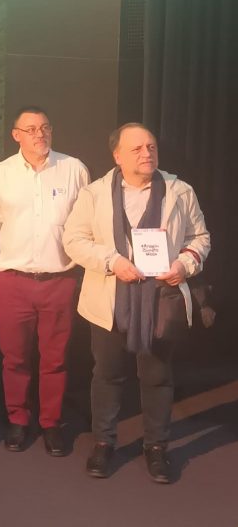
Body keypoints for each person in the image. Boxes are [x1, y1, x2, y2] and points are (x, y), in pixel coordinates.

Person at [63, 123, 210, 483]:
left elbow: (200, 237)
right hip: (110, 299)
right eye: (137, 149)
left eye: (151, 147)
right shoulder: (95, 193)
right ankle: (103, 442)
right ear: (117, 156)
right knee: (107, 375)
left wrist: (184, 264)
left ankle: (156, 447)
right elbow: (74, 239)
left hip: (160, 300)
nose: (147, 153)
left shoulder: (179, 190)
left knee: (158, 377)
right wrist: (112, 262)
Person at [0, 106, 89, 456]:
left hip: (59, 280)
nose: (39, 134)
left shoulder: (74, 169)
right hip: (13, 281)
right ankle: (18, 418)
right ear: (15, 135)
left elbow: (85, 226)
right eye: (30, 129)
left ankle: (50, 422)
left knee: (55, 359)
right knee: (13, 358)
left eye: (44, 127)